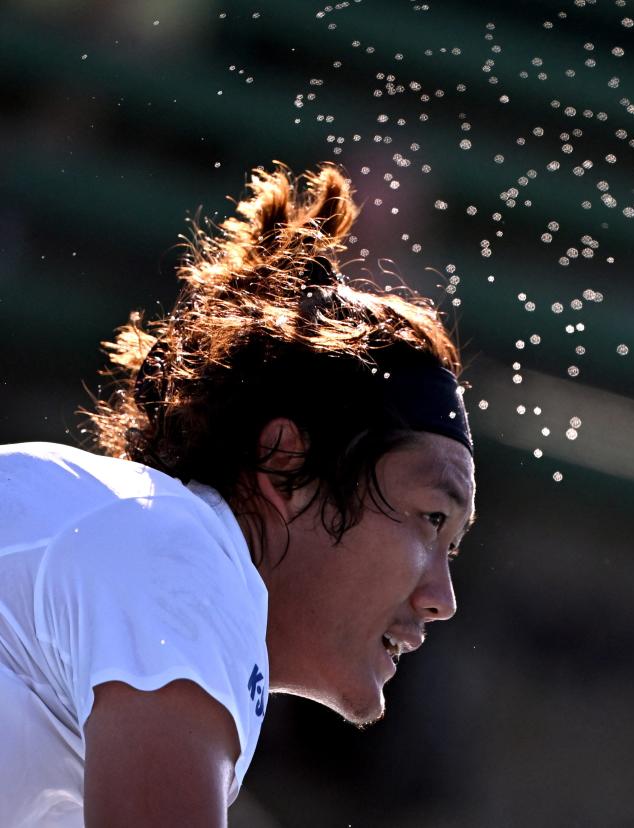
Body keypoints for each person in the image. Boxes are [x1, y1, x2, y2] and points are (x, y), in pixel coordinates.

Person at [0, 163, 475, 826]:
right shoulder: (183, 557)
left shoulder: (152, 569)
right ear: (286, 469)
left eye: (452, 546)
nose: (441, 599)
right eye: (430, 519)